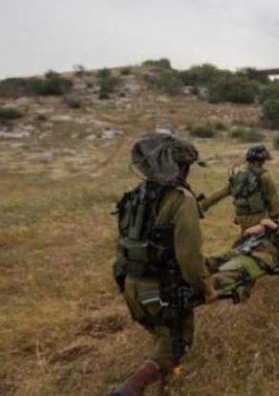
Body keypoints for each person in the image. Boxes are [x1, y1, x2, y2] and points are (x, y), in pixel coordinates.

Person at [111, 132, 216, 396]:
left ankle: (165, 387)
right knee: (176, 344)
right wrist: (206, 288)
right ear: (182, 167)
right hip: (162, 291)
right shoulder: (181, 199)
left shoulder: (133, 197)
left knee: (161, 336)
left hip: (132, 289)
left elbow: (122, 245)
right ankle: (130, 388)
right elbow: (190, 259)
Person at [206, 217, 279, 302]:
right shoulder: (261, 231)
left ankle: (206, 287)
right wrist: (247, 233)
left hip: (258, 257)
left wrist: (275, 228)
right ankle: (198, 277)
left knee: (228, 271)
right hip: (242, 251)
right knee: (211, 261)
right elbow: (236, 246)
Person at [200, 145, 279, 232]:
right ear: (261, 161)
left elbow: (220, 194)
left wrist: (203, 205)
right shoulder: (264, 176)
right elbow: (273, 199)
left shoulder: (237, 176)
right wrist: (277, 217)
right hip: (258, 218)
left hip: (241, 218)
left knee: (246, 236)